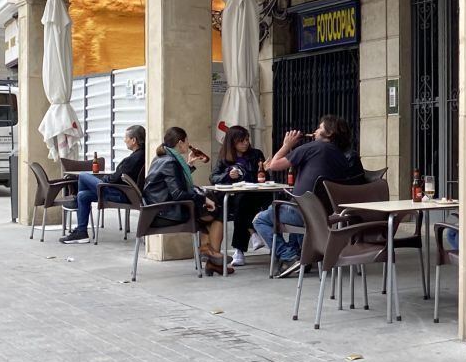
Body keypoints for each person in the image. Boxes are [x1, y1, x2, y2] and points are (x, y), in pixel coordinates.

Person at [252, 115, 364, 275]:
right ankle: (303, 256)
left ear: (330, 132)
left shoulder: (313, 147)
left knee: (260, 219)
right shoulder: (341, 156)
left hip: (303, 212)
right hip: (327, 214)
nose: (316, 131)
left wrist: (286, 145)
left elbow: (274, 165)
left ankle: (289, 255)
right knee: (290, 208)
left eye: (320, 128)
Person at [142, 126, 232, 275]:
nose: (188, 143)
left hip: (158, 208)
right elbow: (178, 193)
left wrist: (189, 165)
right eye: (187, 141)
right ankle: (211, 256)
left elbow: (174, 182)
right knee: (217, 212)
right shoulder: (171, 161)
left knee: (207, 210)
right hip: (167, 212)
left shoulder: (162, 157)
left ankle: (209, 256)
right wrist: (203, 199)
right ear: (180, 142)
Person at [60, 125, 147, 244]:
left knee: (83, 176)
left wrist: (104, 181)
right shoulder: (142, 155)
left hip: (120, 193)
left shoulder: (135, 158)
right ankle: (81, 232)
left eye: (126, 137)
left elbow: (115, 178)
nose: (124, 140)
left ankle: (75, 203)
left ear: (134, 140)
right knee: (83, 196)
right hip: (123, 191)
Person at [210, 125, 270, 266]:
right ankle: (252, 234)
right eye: (241, 141)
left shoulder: (256, 154)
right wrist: (228, 175)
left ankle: (240, 250)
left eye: (247, 140)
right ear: (232, 142)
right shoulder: (225, 158)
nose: (245, 143)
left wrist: (265, 170)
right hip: (235, 198)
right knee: (241, 202)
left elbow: (263, 177)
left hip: (255, 195)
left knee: (245, 202)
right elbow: (213, 177)